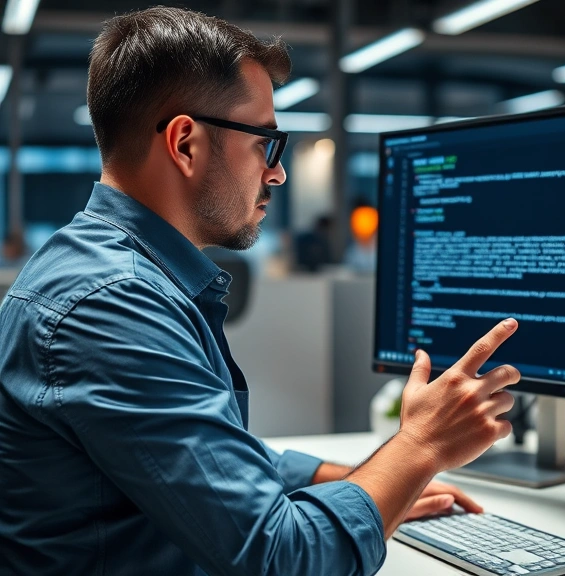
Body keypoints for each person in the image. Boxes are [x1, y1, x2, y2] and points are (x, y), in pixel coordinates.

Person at [0, 7, 519, 576]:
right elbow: (284, 561)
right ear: (185, 144)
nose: (278, 174)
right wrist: (421, 446)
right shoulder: (112, 303)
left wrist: (363, 480)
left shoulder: (107, 270)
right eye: (266, 143)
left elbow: (200, 463)